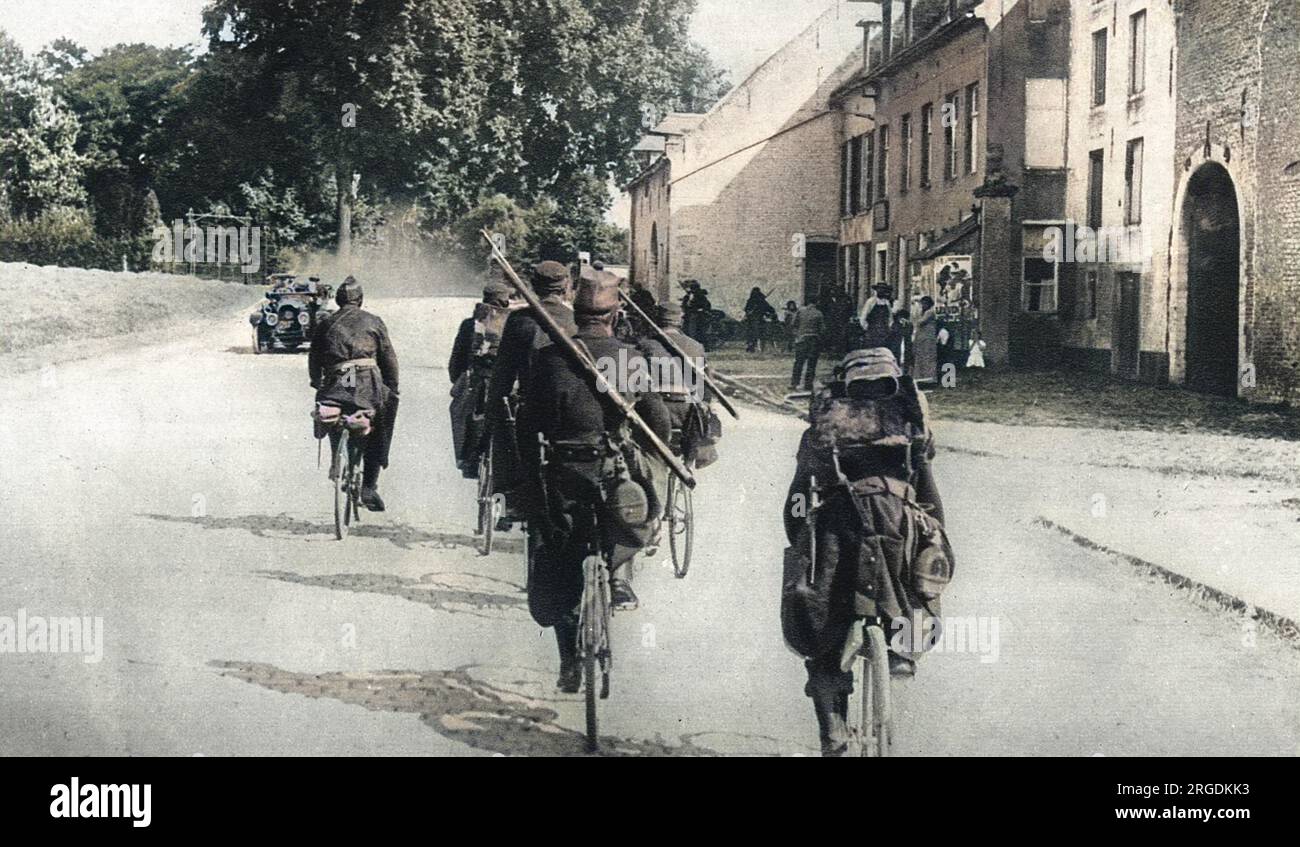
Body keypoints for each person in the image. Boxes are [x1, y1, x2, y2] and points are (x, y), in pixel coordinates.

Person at [782, 346, 951, 755]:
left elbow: (796, 500)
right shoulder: (911, 425)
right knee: (922, 581)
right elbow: (928, 494)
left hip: (838, 531)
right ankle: (903, 649)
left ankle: (833, 726)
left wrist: (801, 535)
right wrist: (936, 532)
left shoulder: (822, 430)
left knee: (821, 624)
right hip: (899, 525)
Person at [517, 271, 672, 692]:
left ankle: (569, 662)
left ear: (575, 313)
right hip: (615, 476)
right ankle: (620, 578)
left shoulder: (550, 359)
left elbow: (526, 429)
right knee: (641, 518)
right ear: (615, 314)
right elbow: (658, 423)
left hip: (563, 475)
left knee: (556, 560)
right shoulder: (629, 357)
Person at [485, 261, 579, 512]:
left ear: (534, 287)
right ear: (566, 286)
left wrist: (494, 409)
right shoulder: (576, 319)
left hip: (531, 406)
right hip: (570, 409)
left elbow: (503, 373)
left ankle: (508, 500)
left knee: (505, 440)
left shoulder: (518, 320)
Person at [308, 277, 400, 511]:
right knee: (379, 423)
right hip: (366, 384)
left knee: (331, 414)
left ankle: (335, 462)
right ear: (360, 300)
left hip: (336, 383)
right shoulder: (374, 321)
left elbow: (314, 358)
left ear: (338, 301)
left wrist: (316, 382)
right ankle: (369, 485)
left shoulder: (326, 323)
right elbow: (389, 359)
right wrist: (392, 388)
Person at [448, 280, 513, 477]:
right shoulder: (513, 324)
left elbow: (455, 363)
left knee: (463, 414)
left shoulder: (469, 325)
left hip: (476, 387)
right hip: (506, 389)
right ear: (506, 302)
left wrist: (459, 379)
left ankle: (468, 461)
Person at [789, 297, 825, 391]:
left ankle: (794, 383)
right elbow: (822, 329)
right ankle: (808, 385)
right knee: (811, 364)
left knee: (798, 362)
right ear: (816, 303)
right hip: (814, 340)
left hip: (801, 339)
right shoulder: (819, 313)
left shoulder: (800, 311)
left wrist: (797, 334)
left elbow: (793, 324)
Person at [912, 295, 939, 384]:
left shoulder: (930, 312)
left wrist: (916, 315)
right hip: (921, 337)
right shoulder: (924, 312)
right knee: (921, 357)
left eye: (924, 303)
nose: (923, 305)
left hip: (928, 338)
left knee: (928, 357)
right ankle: (921, 378)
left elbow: (920, 322)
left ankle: (929, 378)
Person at [743, 287, 778, 353]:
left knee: (757, 333)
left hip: (758, 319)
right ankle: (752, 346)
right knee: (753, 333)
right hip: (753, 319)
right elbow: (746, 310)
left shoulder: (761, 301)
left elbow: (770, 309)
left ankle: (756, 346)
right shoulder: (752, 301)